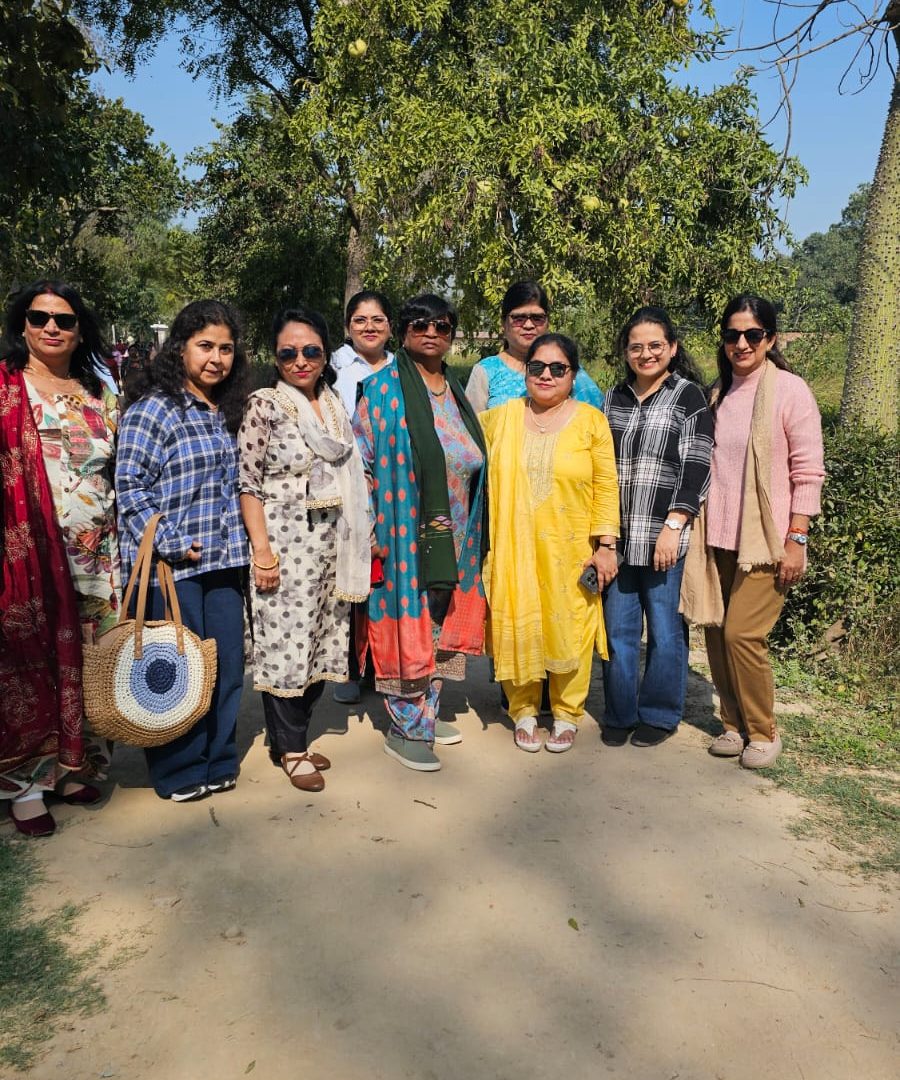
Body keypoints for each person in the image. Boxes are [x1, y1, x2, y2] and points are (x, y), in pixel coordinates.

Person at [681, 294, 825, 769]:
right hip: (716, 536)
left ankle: (763, 731)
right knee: (717, 632)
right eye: (732, 334)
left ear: (770, 338)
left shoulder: (790, 391)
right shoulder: (717, 394)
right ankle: (731, 724)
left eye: (752, 334)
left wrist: (797, 538)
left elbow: (808, 470)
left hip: (764, 541)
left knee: (743, 635)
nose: (741, 343)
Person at [116, 300, 250, 801]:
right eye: (205, 346)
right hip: (171, 568)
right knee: (176, 672)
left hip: (225, 562)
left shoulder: (228, 411)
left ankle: (219, 758)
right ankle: (178, 769)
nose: (216, 358)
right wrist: (170, 542)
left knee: (227, 668)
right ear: (180, 349)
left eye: (226, 349)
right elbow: (130, 486)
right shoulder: (155, 409)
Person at [0, 280, 119, 835]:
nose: (51, 327)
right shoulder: (7, 388)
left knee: (91, 661)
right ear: (21, 325)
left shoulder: (99, 391)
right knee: (32, 661)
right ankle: (26, 786)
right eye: (39, 317)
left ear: (79, 331)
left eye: (64, 320)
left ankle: (74, 768)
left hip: (96, 555)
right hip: (26, 552)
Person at [353, 294, 488, 772]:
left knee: (438, 625)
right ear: (403, 331)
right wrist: (370, 530)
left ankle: (427, 712)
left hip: (456, 535)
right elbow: (360, 467)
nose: (431, 332)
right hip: (403, 535)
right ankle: (406, 728)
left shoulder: (455, 390)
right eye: (419, 324)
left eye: (442, 325)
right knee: (409, 626)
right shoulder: (381, 391)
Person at [239, 305, 370, 792]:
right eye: (288, 353)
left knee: (319, 643)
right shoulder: (265, 405)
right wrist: (263, 553)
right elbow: (248, 484)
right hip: (284, 549)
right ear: (274, 357)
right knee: (285, 648)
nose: (300, 361)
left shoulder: (333, 404)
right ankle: (292, 749)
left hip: (331, 550)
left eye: (311, 351)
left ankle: (289, 740)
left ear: (325, 354)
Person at [480, 333, 620, 753]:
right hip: (514, 546)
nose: (546, 375)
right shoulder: (501, 418)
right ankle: (522, 709)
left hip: (570, 548)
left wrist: (606, 545)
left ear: (572, 375)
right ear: (525, 371)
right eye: (537, 367)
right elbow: (455, 443)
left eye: (558, 368)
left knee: (570, 626)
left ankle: (566, 713)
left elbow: (606, 485)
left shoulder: (591, 421)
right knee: (516, 616)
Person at [600, 307, 713, 747]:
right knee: (618, 631)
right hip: (619, 538)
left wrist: (675, 524)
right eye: (636, 347)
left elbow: (697, 465)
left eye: (655, 346)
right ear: (626, 352)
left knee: (665, 632)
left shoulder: (688, 397)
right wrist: (603, 537)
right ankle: (620, 712)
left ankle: (660, 715)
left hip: (664, 536)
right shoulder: (613, 398)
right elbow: (599, 467)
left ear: (672, 348)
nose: (645, 354)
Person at [331, 290, 395, 704]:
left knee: (384, 575)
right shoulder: (334, 366)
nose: (369, 327)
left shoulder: (401, 368)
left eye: (377, 320)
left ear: (389, 326)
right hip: (344, 482)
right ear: (348, 326)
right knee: (351, 576)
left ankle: (381, 664)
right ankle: (349, 669)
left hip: (388, 487)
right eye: (360, 320)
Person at [465, 281, 604, 413]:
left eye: (537, 318)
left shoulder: (565, 368)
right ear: (503, 324)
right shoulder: (486, 371)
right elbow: (469, 427)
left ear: (547, 323)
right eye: (518, 318)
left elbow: (596, 417)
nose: (528, 325)